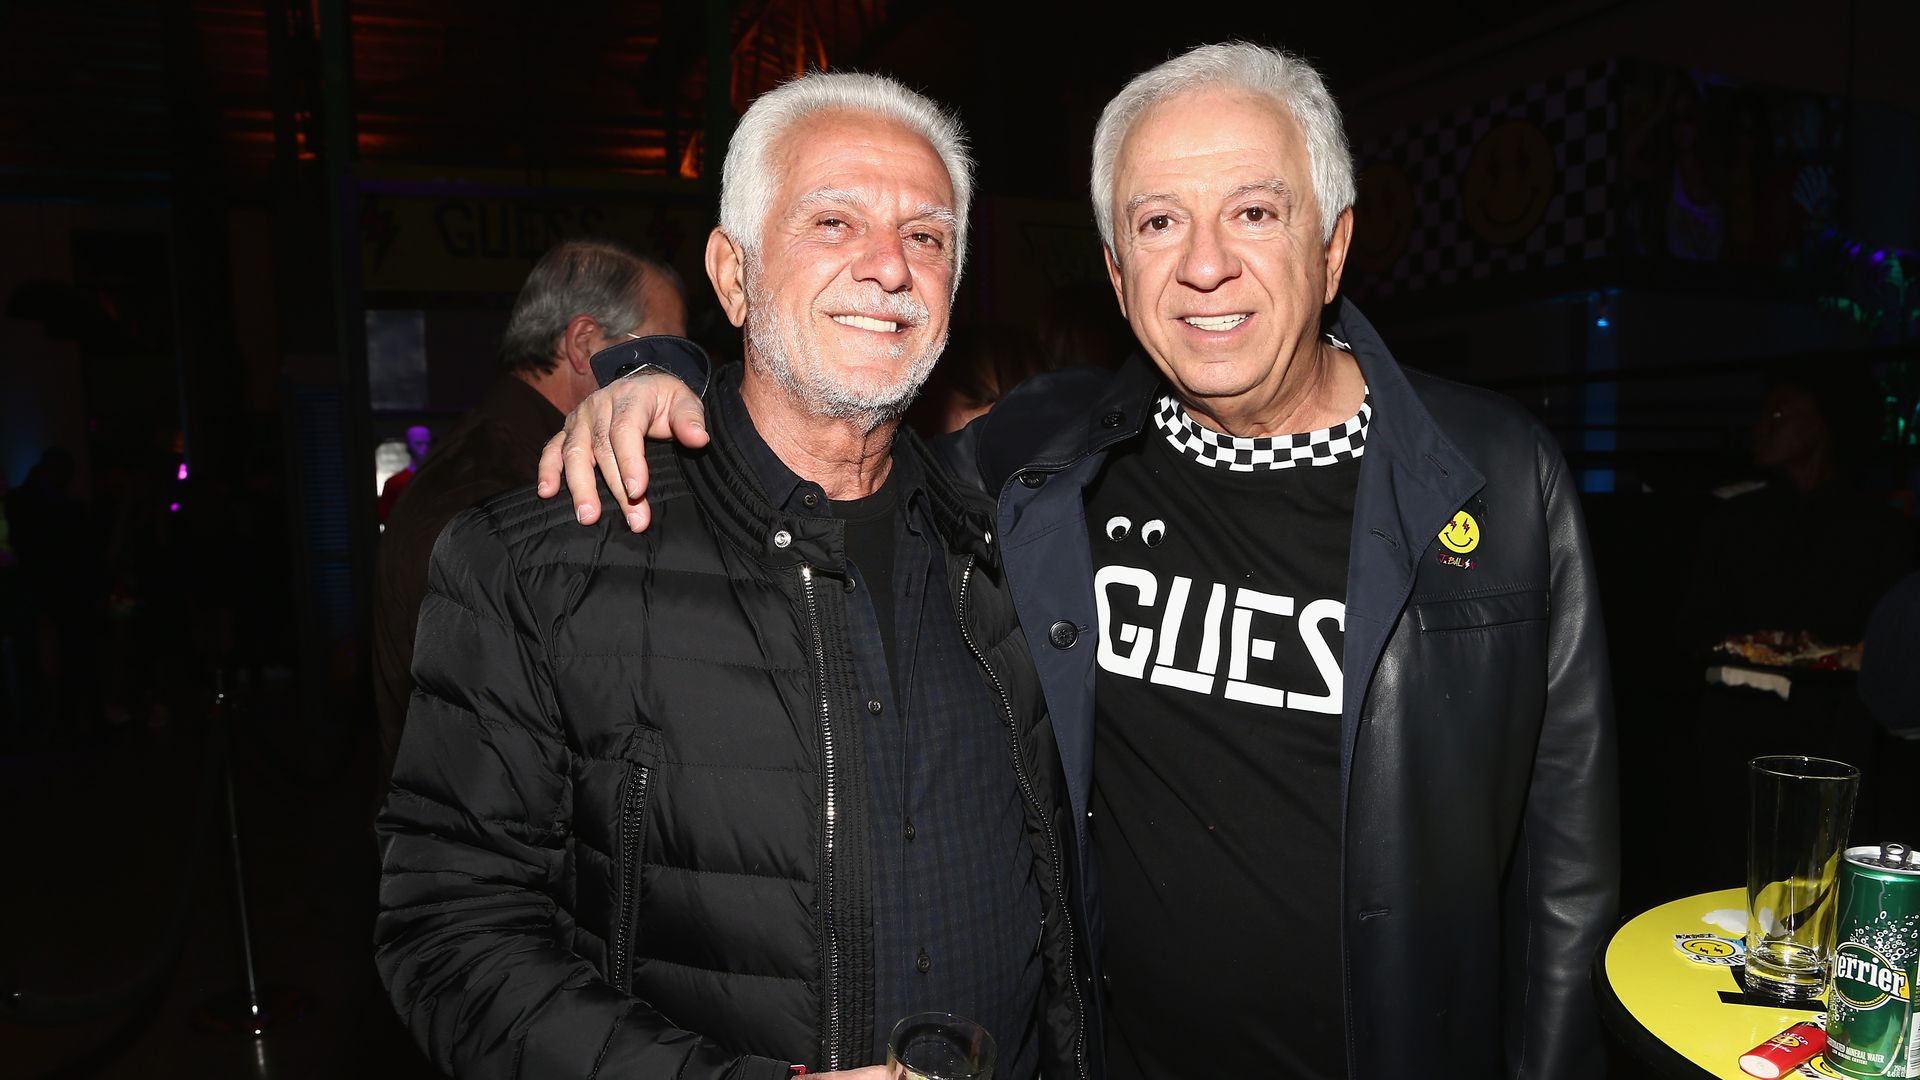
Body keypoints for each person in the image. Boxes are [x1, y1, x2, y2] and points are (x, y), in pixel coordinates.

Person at [543, 42, 1619, 1080]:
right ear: (1114, 270)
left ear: (1332, 243)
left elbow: (1566, 875)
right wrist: (657, 370)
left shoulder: (1494, 475)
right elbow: (828, 428)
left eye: (1254, 212)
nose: (1205, 264)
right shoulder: (1050, 455)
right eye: (1159, 222)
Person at [375, 73, 1086, 1080]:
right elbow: (451, 937)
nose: (889, 266)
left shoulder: (1016, 553)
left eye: (926, 237)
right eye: (834, 221)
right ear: (735, 273)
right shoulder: (538, 559)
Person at [369, 237, 687, 792]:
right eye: (664, 355)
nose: (677, 383)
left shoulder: (515, 456)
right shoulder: (497, 487)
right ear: (586, 344)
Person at [376, 423, 435, 523]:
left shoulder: (438, 479)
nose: (425, 449)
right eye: (419, 444)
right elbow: (385, 518)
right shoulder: (394, 483)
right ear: (409, 446)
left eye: (428, 444)